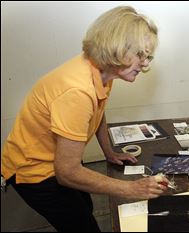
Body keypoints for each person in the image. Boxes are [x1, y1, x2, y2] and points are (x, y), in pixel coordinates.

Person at [1, 6, 169, 232]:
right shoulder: (78, 90)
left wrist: (108, 152)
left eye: (148, 56)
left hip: (56, 159)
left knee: (85, 205)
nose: (146, 63)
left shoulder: (101, 71)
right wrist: (131, 189)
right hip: (34, 170)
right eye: (140, 54)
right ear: (117, 47)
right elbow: (67, 172)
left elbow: (97, 111)